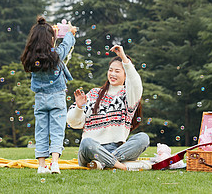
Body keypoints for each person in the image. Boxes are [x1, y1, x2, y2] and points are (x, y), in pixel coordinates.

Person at [67, 45, 150, 171]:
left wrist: (123, 58)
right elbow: (73, 123)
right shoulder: (94, 94)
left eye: (117, 71)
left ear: (126, 74)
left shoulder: (127, 96)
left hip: (117, 149)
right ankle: (119, 165)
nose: (112, 74)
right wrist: (79, 107)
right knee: (86, 143)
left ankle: (103, 163)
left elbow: (136, 84)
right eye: (110, 70)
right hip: (92, 149)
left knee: (143, 138)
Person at [20, 16, 76, 174]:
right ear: (50, 40)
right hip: (57, 98)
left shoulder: (31, 58)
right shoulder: (55, 55)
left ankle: (41, 166)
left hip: (40, 99)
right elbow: (66, 45)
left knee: (41, 130)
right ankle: (55, 163)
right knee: (57, 130)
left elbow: (46, 50)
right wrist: (69, 33)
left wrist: (51, 36)